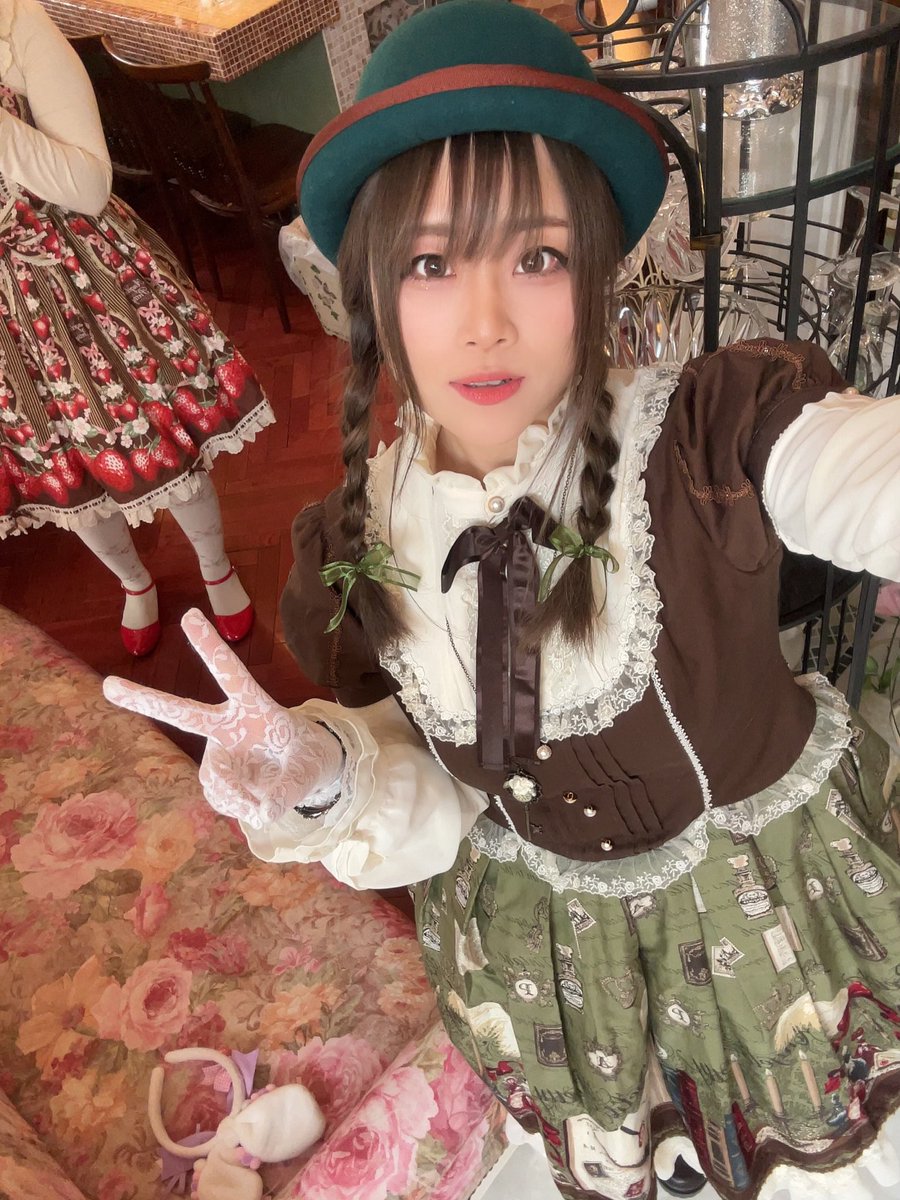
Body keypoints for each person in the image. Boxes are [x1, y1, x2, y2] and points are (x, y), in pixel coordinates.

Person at [104, 2, 900, 1197]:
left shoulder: (705, 435)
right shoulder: (351, 552)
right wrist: (325, 775)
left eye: (537, 257)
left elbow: (856, 470)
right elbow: (447, 800)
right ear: (374, 288)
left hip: (770, 925)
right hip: (559, 966)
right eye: (432, 263)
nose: (486, 323)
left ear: (596, 266)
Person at [0, 0, 274, 653]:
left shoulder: (17, 25)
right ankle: (134, 582)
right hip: (8, 319)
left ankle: (216, 566)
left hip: (79, 280)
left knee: (155, 434)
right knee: (62, 466)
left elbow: (88, 184)